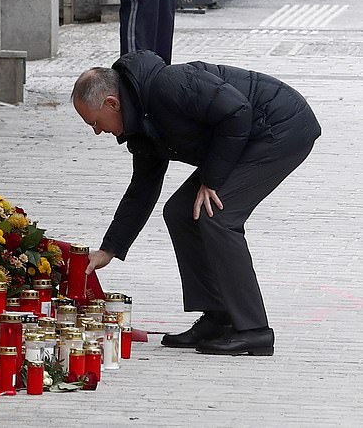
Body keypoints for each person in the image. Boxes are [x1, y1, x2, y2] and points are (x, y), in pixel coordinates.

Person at [71, 51, 321, 356]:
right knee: (179, 212)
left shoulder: (169, 86)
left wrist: (212, 180)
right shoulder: (140, 123)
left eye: (95, 122)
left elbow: (237, 111)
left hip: (281, 126)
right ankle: (218, 317)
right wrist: (109, 249)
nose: (98, 131)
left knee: (217, 215)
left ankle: (254, 330)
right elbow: (142, 188)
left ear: (112, 103)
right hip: (245, 136)